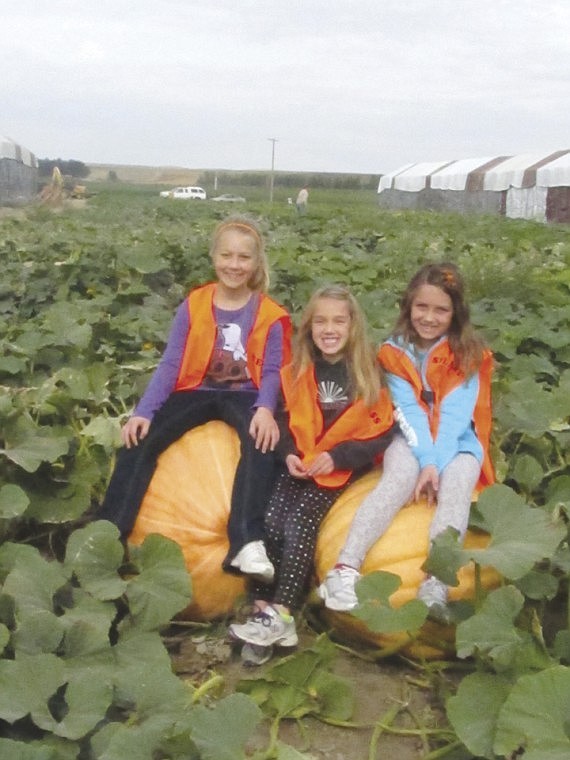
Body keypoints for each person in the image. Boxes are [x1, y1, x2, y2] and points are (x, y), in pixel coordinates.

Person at [98, 215, 292, 580]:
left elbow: (271, 371)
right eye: (227, 255)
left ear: (256, 263)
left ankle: (247, 541)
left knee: (261, 441)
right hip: (195, 389)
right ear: (214, 257)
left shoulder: (271, 315)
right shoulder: (195, 304)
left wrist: (266, 409)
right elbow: (171, 363)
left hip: (245, 394)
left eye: (243, 258)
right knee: (140, 439)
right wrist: (144, 411)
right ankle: (109, 531)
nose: (234, 265)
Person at [318, 263, 495, 622]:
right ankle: (346, 566)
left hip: (460, 442)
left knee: (457, 487)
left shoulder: (469, 355)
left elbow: (457, 416)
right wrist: (426, 462)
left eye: (440, 310)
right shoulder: (393, 353)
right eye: (422, 307)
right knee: (397, 479)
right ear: (408, 307)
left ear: (455, 313)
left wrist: (438, 465)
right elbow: (409, 413)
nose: (429, 317)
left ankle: (436, 582)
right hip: (410, 437)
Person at [229, 285, 394, 656]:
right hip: (302, 462)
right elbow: (285, 421)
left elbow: (381, 432)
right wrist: (287, 453)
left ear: (353, 326)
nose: (329, 329)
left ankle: (285, 611)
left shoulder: (367, 372)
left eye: (339, 321)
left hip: (340, 471)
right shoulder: (299, 369)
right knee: (270, 518)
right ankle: (263, 610)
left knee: (300, 522)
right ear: (309, 327)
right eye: (320, 321)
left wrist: (339, 457)